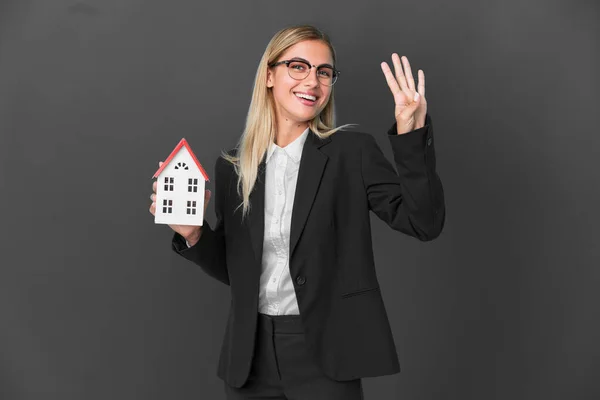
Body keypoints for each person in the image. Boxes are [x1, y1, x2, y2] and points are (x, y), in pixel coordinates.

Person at [149, 24, 445, 400]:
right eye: (299, 67)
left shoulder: (350, 153)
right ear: (269, 75)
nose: (313, 82)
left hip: (325, 353)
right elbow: (237, 270)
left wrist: (411, 134)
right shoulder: (235, 166)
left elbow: (424, 222)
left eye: (324, 72)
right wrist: (192, 234)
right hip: (249, 358)